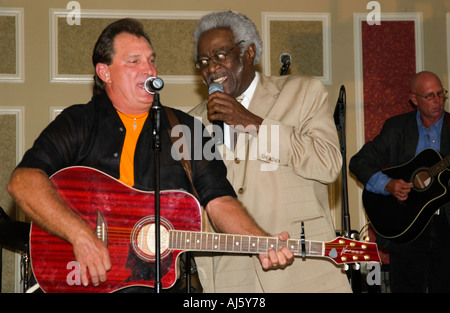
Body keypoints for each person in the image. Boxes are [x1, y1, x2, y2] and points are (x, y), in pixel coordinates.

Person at [6, 18, 294, 292]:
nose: (150, 70)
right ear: (104, 72)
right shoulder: (79, 122)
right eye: (134, 62)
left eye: (152, 60)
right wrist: (80, 236)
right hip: (82, 281)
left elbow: (219, 200)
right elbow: (23, 181)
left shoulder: (184, 129)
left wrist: (260, 241)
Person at [189, 11, 351, 293]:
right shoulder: (191, 122)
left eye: (220, 56)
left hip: (299, 269)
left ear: (248, 53)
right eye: (204, 61)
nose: (211, 68)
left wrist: (253, 122)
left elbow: (328, 164)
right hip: (227, 274)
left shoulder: (301, 92)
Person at [349, 71, 450, 292]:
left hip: (446, 227)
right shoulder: (397, 128)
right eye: (430, 96)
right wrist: (386, 184)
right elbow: (359, 161)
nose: (438, 100)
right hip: (405, 225)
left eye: (441, 94)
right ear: (414, 99)